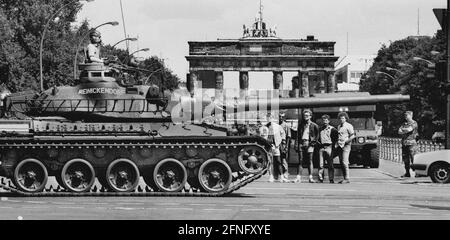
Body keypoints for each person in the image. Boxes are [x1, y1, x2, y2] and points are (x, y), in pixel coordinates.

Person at [295, 109, 319, 183]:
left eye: (307, 115)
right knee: (301, 161)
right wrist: (296, 144)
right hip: (301, 143)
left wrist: (312, 144)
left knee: (310, 161)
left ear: (310, 116)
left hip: (310, 143)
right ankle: (298, 177)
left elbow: (317, 136)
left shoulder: (314, 125)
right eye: (304, 115)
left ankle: (310, 177)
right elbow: (298, 135)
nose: (305, 117)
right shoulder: (301, 125)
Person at [335, 112, 355, 184]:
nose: (341, 119)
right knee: (341, 162)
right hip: (340, 145)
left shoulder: (349, 126)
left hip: (346, 145)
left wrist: (347, 141)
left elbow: (352, 136)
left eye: (343, 118)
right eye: (340, 118)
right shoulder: (339, 126)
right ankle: (344, 178)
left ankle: (347, 178)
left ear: (346, 118)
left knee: (344, 161)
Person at [266, 116, 288, 183]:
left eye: (270, 118)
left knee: (278, 161)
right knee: (270, 162)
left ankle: (281, 176)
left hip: (276, 146)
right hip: (268, 146)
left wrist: (282, 142)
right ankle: (271, 176)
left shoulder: (277, 126)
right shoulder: (265, 127)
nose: (269, 119)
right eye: (268, 118)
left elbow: (283, 134)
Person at [318, 114, 339, 183]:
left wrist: (334, 146)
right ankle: (320, 178)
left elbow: (336, 138)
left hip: (329, 147)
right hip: (321, 147)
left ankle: (331, 178)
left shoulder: (332, 129)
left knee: (330, 164)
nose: (325, 122)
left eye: (326, 120)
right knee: (321, 164)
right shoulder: (320, 129)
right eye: (323, 120)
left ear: (329, 121)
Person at [398, 111, 418, 178]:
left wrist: (403, 130)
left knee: (414, 159)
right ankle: (407, 173)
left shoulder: (414, 123)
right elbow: (399, 131)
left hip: (411, 144)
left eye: (407, 115)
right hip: (404, 144)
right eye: (405, 115)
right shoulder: (404, 123)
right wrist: (404, 130)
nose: (405, 116)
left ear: (411, 115)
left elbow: (409, 130)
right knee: (405, 160)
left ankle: (417, 173)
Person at [279, 114, 291, 179]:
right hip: (277, 143)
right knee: (278, 159)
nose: (281, 118)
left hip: (283, 143)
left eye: (282, 117)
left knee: (284, 159)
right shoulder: (276, 125)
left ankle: (286, 172)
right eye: (279, 116)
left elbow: (288, 136)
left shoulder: (286, 125)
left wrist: (286, 146)